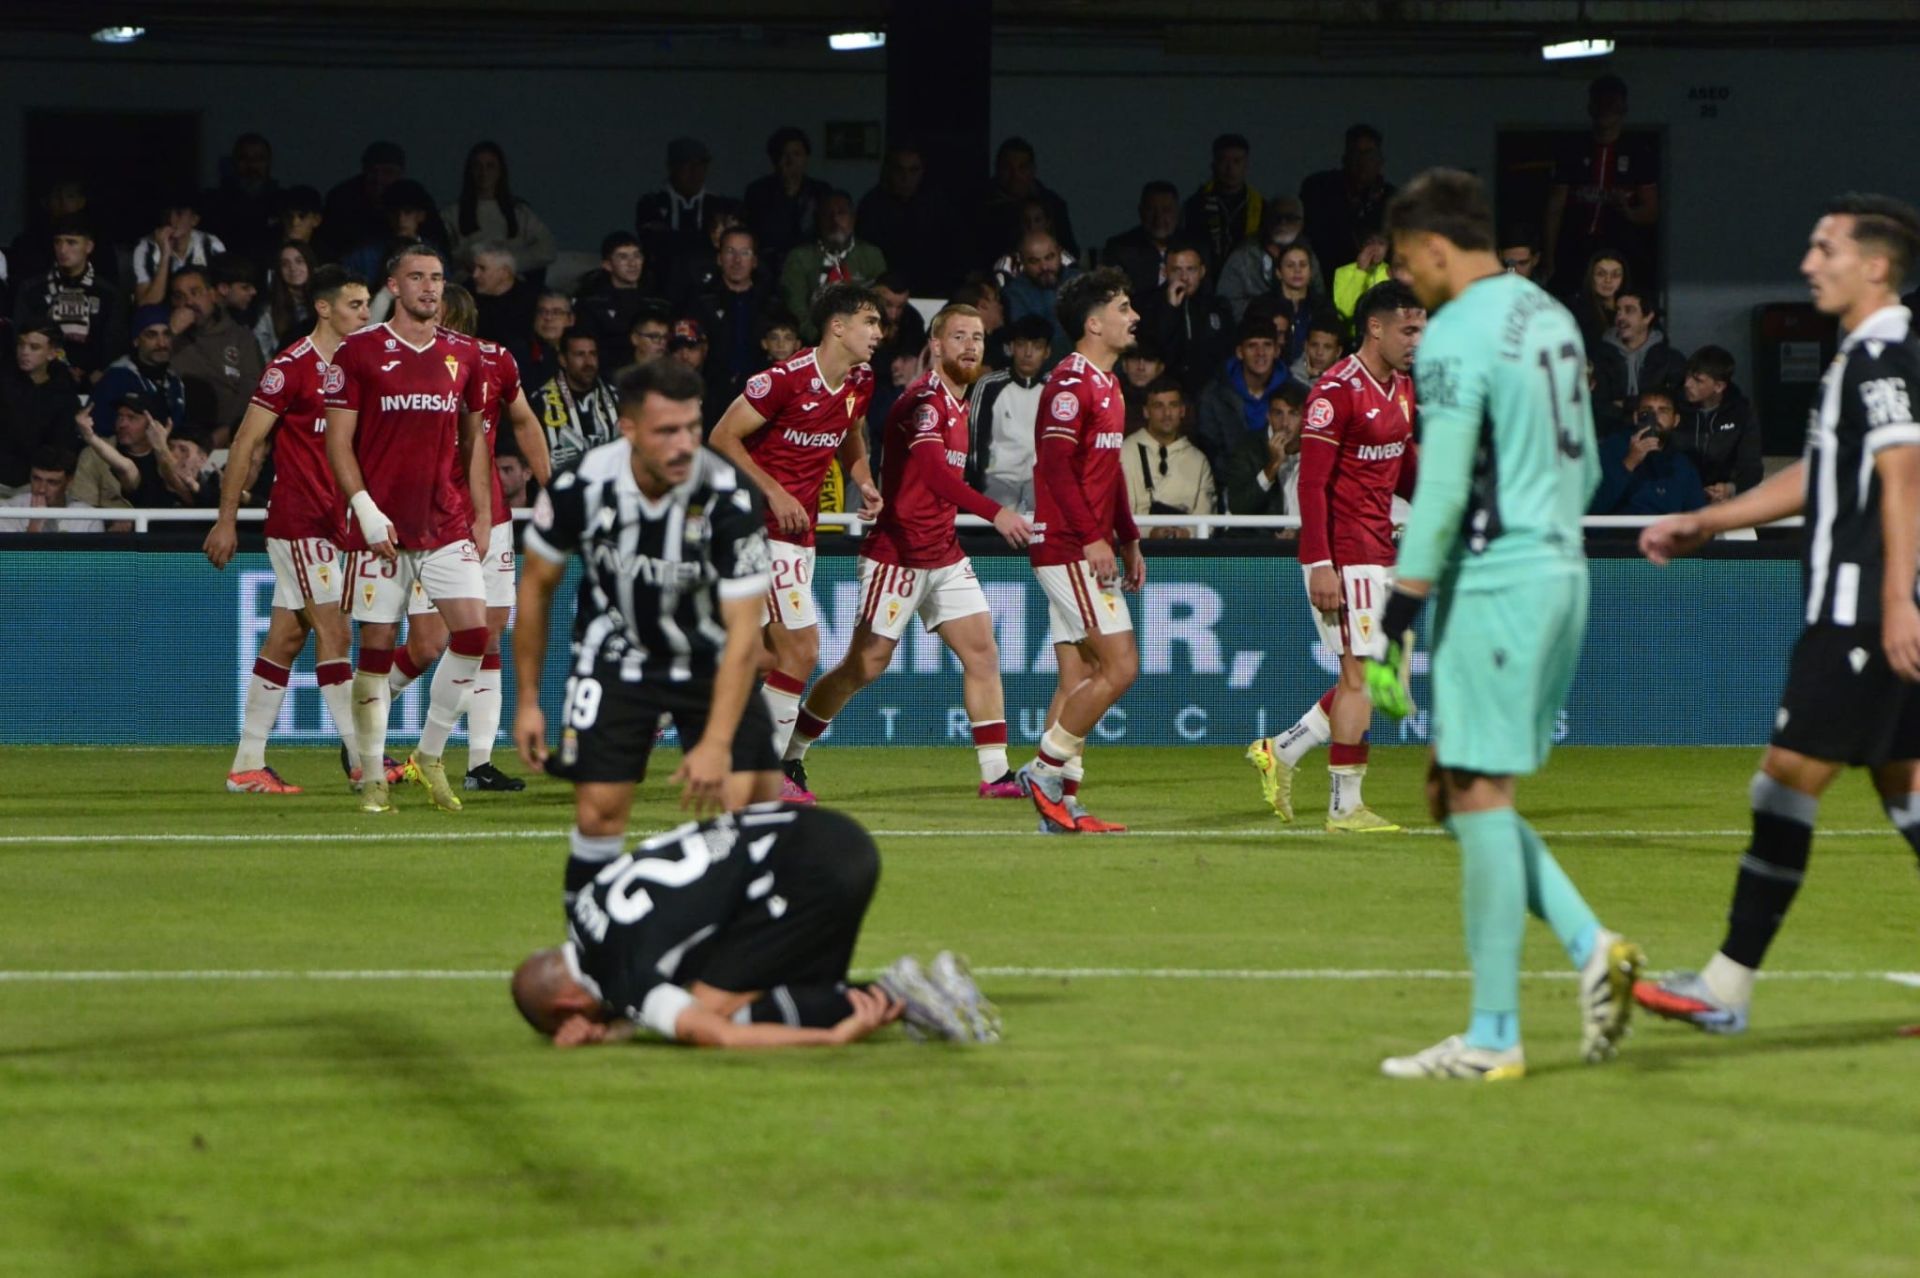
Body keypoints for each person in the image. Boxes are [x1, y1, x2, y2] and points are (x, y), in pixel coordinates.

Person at [1361, 167, 1642, 1081]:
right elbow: (1588, 466)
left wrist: (1399, 613)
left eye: (1408, 264)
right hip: (1562, 567)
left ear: (1436, 247)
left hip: (1501, 579)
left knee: (1477, 793)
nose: (1409, 284)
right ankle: (1592, 947)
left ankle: (1491, 1037)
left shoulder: (1456, 331)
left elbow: (1443, 485)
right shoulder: (1550, 315)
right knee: (1454, 791)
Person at [1634, 193, 1920, 1039]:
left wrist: (1896, 601)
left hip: (1862, 613)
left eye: (1826, 249)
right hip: (1866, 608)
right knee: (1905, 789)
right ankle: (1725, 987)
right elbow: (1823, 475)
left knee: (1783, 780)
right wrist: (1708, 520)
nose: (1807, 264)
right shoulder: (1863, 356)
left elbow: (1905, 474)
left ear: (1875, 266)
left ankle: (1725, 986)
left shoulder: (1882, 357)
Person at [515, 359, 783, 851]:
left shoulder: (731, 497)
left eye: (692, 428)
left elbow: (744, 633)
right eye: (666, 431)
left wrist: (716, 743)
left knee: (755, 805)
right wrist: (528, 701)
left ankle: (728, 899)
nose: (684, 445)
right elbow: (535, 587)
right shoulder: (580, 485)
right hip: (615, 655)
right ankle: (592, 905)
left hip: (710, 658)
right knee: (598, 813)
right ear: (629, 429)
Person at [783, 306, 1032, 797]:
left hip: (943, 553)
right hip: (898, 554)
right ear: (935, 346)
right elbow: (936, 474)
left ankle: (996, 774)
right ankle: (789, 754)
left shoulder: (961, 402)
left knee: (982, 652)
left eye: (978, 337)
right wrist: (996, 513)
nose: (970, 346)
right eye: (958, 336)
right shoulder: (925, 402)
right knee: (864, 665)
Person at [511, 804, 999, 1048]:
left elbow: (716, 1034)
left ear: (567, 1005)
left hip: (809, 870)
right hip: (821, 833)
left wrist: (833, 1039)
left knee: (711, 1010)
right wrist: (618, 1026)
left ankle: (899, 993)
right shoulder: (585, 907)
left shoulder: (620, 974)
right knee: (730, 980)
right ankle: (909, 993)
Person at [322, 243, 493, 815]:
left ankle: (430, 754)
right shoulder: (359, 351)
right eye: (416, 277)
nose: (429, 287)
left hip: (444, 522)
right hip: (381, 531)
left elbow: (474, 440)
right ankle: (373, 775)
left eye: (437, 278)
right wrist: (365, 509)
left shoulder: (464, 354)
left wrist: (480, 513)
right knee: (374, 653)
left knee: (473, 636)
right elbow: (338, 441)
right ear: (393, 286)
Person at [1247, 280, 1424, 831]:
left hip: (1381, 547)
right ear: (1375, 327)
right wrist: (1320, 563)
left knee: (1373, 675)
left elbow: (1402, 463)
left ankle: (1281, 750)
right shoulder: (1334, 391)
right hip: (1344, 553)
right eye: (1408, 330)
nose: (1416, 340)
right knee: (1362, 678)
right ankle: (1344, 806)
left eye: (1421, 330)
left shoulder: (1401, 386)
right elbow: (1313, 485)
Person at [202, 268, 377, 792]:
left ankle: (246, 766)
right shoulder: (291, 367)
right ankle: (363, 760)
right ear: (324, 308)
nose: (366, 314)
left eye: (367, 304)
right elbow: (246, 442)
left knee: (287, 637)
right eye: (355, 305)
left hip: (338, 520)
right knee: (336, 630)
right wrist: (226, 520)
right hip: (300, 520)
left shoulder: (361, 367)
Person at [708, 284, 882, 796]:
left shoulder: (860, 381)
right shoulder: (783, 380)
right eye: (870, 322)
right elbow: (721, 436)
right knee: (802, 651)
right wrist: (775, 492)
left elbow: (850, 431)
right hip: (755, 527)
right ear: (838, 327)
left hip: (797, 534)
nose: (878, 332)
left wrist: (864, 479)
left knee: (764, 657)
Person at [384, 282, 553, 793]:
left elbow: (525, 422)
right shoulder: (407, 367)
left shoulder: (495, 361)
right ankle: (363, 719)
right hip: (432, 519)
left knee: (488, 635)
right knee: (429, 643)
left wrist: (551, 486)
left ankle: (478, 763)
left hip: (490, 516)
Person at [1016, 267, 1143, 835]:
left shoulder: (1108, 383)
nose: (1134, 316)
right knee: (1121, 665)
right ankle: (1044, 770)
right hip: (1068, 546)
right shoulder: (1069, 384)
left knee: (1080, 676)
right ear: (1094, 324)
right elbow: (1056, 467)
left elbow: (1106, 472)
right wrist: (1094, 537)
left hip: (1084, 543)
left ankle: (1062, 807)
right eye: (1123, 308)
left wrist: (1128, 536)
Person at [1543, 75, 1659, 296]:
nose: (1606, 110)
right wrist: (1549, 258)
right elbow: (1555, 207)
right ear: (1590, 107)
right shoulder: (1572, 150)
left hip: (1622, 247)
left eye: (1612, 104)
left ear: (1623, 108)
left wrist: (1628, 212)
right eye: (1600, 103)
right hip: (1576, 246)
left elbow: (1651, 211)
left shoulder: (1638, 153)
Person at [13, 215, 122, 377]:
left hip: (94, 380)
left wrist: (98, 372)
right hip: (42, 378)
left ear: (88, 246)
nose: (62, 250)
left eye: (71, 242)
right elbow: (21, 337)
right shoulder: (31, 289)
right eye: (58, 242)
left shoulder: (107, 293)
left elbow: (114, 341)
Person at [168, 265, 265, 444]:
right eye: (180, 296)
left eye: (195, 292)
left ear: (212, 295)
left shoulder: (241, 338)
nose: (188, 302)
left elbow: (253, 393)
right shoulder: (169, 339)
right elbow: (146, 371)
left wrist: (225, 434)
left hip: (232, 436)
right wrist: (171, 333)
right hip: (179, 437)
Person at [966, 313, 1052, 510]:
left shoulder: (1056, 389)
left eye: (1037, 347)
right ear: (1011, 348)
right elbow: (975, 443)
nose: (1028, 353)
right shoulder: (989, 386)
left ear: (1047, 352)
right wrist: (977, 483)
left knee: (1046, 511)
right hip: (997, 479)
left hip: (1040, 481)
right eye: (1021, 345)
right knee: (1002, 512)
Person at [779, 191, 886, 344]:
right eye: (827, 214)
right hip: (814, 342)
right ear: (818, 219)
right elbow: (796, 308)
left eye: (841, 213)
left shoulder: (871, 255)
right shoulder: (799, 257)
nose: (835, 220)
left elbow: (881, 304)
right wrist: (825, 339)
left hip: (861, 342)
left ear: (853, 218)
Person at [1195, 317, 1288, 489]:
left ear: (1276, 350)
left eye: (1267, 345)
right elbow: (1211, 451)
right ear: (1240, 352)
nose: (1260, 353)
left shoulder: (1294, 392)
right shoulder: (1214, 395)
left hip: (1284, 484)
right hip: (1231, 487)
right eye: (1252, 346)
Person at [441, 141, 556, 279]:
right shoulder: (452, 214)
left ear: (500, 171)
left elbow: (547, 249)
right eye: (477, 166)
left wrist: (509, 261)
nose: (483, 172)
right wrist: (471, 258)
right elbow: (441, 253)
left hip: (512, 283)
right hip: (471, 283)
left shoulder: (520, 213)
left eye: (490, 166)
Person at [634, 137, 737, 289]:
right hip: (664, 285)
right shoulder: (651, 204)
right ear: (672, 167)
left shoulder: (722, 205)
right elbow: (656, 243)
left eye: (700, 165)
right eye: (687, 164)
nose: (694, 172)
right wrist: (706, 240)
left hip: (712, 284)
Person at [689, 227, 774, 408]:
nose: (737, 260)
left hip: (762, 393)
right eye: (730, 252)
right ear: (719, 258)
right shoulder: (701, 302)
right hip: (711, 393)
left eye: (745, 253)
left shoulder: (770, 303)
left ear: (754, 261)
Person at [1589, 388, 1706, 516]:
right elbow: (1593, 506)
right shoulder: (1612, 448)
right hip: (1619, 528)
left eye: (1663, 411)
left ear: (1675, 420)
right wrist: (1629, 462)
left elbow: (1697, 515)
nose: (1655, 417)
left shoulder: (1682, 464)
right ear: (1636, 417)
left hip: (1664, 528)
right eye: (1647, 411)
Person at [1300, 124, 1396, 278]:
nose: (1362, 161)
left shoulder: (1393, 199)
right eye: (1356, 153)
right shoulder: (1320, 189)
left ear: (1380, 161)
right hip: (1329, 279)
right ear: (1345, 159)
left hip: (1379, 284)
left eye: (1368, 154)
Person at [1141, 241, 1234, 399]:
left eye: (1191, 269)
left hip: (1211, 395)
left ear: (1202, 271)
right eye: (1176, 270)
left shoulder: (1218, 306)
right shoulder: (1148, 305)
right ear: (1164, 272)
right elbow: (1153, 349)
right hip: (1163, 395)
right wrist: (1170, 310)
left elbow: (1227, 354)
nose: (1184, 277)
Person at [1121, 379, 1216, 532]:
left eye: (1173, 405)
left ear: (1182, 411)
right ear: (1146, 411)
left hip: (1185, 547)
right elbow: (1116, 515)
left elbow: (1206, 516)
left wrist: (1186, 533)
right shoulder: (1125, 452)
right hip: (1137, 544)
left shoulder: (1198, 461)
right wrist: (1149, 532)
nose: (1167, 413)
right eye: (1158, 406)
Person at [1592, 285, 1685, 432]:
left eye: (1629, 310)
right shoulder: (1599, 357)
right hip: (1611, 436)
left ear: (1648, 317)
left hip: (1661, 437)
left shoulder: (1671, 359)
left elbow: (1675, 405)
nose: (1620, 317)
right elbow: (1597, 406)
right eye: (1618, 311)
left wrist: (1626, 404)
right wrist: (1635, 417)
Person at [1676, 344, 1763, 500]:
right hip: (1678, 496)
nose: (1687, 384)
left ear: (1719, 386)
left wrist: (1731, 488)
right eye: (1687, 376)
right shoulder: (1673, 407)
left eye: (1698, 380)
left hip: (1723, 498)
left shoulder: (1741, 412)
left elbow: (1751, 466)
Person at [743, 126, 833, 273]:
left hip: (811, 265)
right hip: (769, 266)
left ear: (806, 158)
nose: (790, 161)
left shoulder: (821, 191)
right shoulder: (758, 192)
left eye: (796, 154)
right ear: (774, 159)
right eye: (784, 155)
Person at [973, 136, 1078, 261]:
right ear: (998, 169)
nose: (1015, 175)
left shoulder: (1053, 205)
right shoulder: (978, 207)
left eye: (1022, 167)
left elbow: (1071, 255)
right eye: (1007, 168)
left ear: (1032, 169)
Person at [528, 327, 618, 470]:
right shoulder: (540, 403)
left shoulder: (617, 397)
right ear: (563, 360)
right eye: (580, 354)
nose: (588, 362)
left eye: (593, 354)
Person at [1, 325, 80, 487]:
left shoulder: (64, 395)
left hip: (38, 483)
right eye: (21, 344)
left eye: (34, 347)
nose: (24, 352)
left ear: (53, 353)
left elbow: (61, 446)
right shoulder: (4, 382)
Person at [92, 306, 187, 437]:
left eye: (166, 334)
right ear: (136, 341)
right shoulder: (117, 378)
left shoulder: (174, 381)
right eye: (152, 335)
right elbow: (98, 430)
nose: (161, 343)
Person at [1226, 382, 1306, 528]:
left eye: (1293, 414)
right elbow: (1238, 507)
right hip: (1262, 540)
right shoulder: (1247, 449)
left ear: (1305, 418)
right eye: (1278, 413)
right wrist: (1272, 467)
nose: (1285, 423)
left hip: (1304, 538)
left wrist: (1299, 533)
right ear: (1268, 416)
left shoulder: (1319, 450)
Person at [573, 232, 653, 373]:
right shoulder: (592, 306)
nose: (632, 263)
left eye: (637, 256)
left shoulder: (655, 303)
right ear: (607, 265)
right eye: (623, 257)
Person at [1217, 199, 1308, 322]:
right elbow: (1225, 305)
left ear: (1302, 224)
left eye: (1290, 218)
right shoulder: (1243, 256)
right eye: (1277, 217)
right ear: (1266, 221)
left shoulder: (1308, 255)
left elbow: (1317, 298)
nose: (1283, 223)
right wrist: (1265, 316)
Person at [318, 140, 409, 262]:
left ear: (400, 174)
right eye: (373, 171)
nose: (379, 179)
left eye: (388, 172)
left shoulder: (412, 199)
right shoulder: (342, 199)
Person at [1183, 134, 1263, 271]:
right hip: (1205, 275)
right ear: (1214, 165)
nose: (1230, 168)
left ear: (1246, 166)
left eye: (1237, 161)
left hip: (1245, 275)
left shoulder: (1260, 207)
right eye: (1223, 161)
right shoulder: (1196, 205)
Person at [201, 133, 281, 266]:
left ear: (269, 163)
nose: (252, 165)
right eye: (244, 158)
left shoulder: (282, 202)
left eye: (259, 158)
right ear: (234, 163)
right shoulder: (215, 202)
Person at [132, 197, 226, 308]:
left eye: (179, 214)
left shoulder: (210, 244)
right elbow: (145, 305)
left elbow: (223, 293)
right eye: (167, 213)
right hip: (165, 312)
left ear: (194, 220)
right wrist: (165, 254)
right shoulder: (146, 247)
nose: (171, 220)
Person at [1001, 230, 1079, 358]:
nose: (1044, 267)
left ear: (1060, 253)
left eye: (1049, 257)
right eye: (1034, 261)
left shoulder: (1080, 282)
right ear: (1022, 261)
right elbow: (1029, 341)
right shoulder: (1014, 293)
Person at [1104, 180, 1182, 305]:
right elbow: (1112, 299)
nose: (1159, 218)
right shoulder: (1120, 249)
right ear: (1141, 211)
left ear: (1177, 212)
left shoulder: (1194, 246)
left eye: (1166, 210)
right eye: (1151, 210)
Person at [0, 445, 102, 533]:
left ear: (69, 482)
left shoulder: (88, 517)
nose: (41, 489)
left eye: (52, 482)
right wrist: (34, 526)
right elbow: (12, 551)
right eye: (36, 479)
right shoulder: (7, 511)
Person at [469, 243, 539, 350]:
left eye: (482, 269)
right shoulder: (467, 294)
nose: (475, 274)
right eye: (474, 268)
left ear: (504, 273)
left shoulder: (531, 301)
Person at [260, 241, 319, 355]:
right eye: (285, 264)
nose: (292, 268)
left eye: (299, 261)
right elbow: (262, 352)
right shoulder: (269, 312)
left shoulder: (327, 301)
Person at [1567, 250, 1628, 353]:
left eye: (1615, 275)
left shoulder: (1631, 309)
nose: (1608, 280)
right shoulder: (1577, 309)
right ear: (1591, 276)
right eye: (1601, 274)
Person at [1332, 231, 1393, 322]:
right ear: (1361, 246)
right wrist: (1360, 272)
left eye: (1381, 243)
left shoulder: (1392, 272)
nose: (1374, 249)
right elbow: (1344, 313)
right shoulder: (1343, 272)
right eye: (1370, 243)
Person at [1291, 317, 1345, 386]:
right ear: (1305, 346)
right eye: (1314, 345)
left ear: (1338, 352)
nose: (1319, 352)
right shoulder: (1291, 376)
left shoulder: (1347, 382)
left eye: (1327, 347)